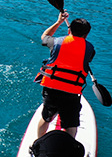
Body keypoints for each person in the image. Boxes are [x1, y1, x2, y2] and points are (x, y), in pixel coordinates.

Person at [35, 10, 95, 138]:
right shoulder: (90, 49)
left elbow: (44, 36)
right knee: (71, 125)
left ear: (70, 30)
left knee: (46, 118)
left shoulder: (55, 42)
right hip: (72, 91)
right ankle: (68, 150)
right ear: (87, 34)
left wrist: (59, 22)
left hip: (52, 88)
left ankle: (37, 143)